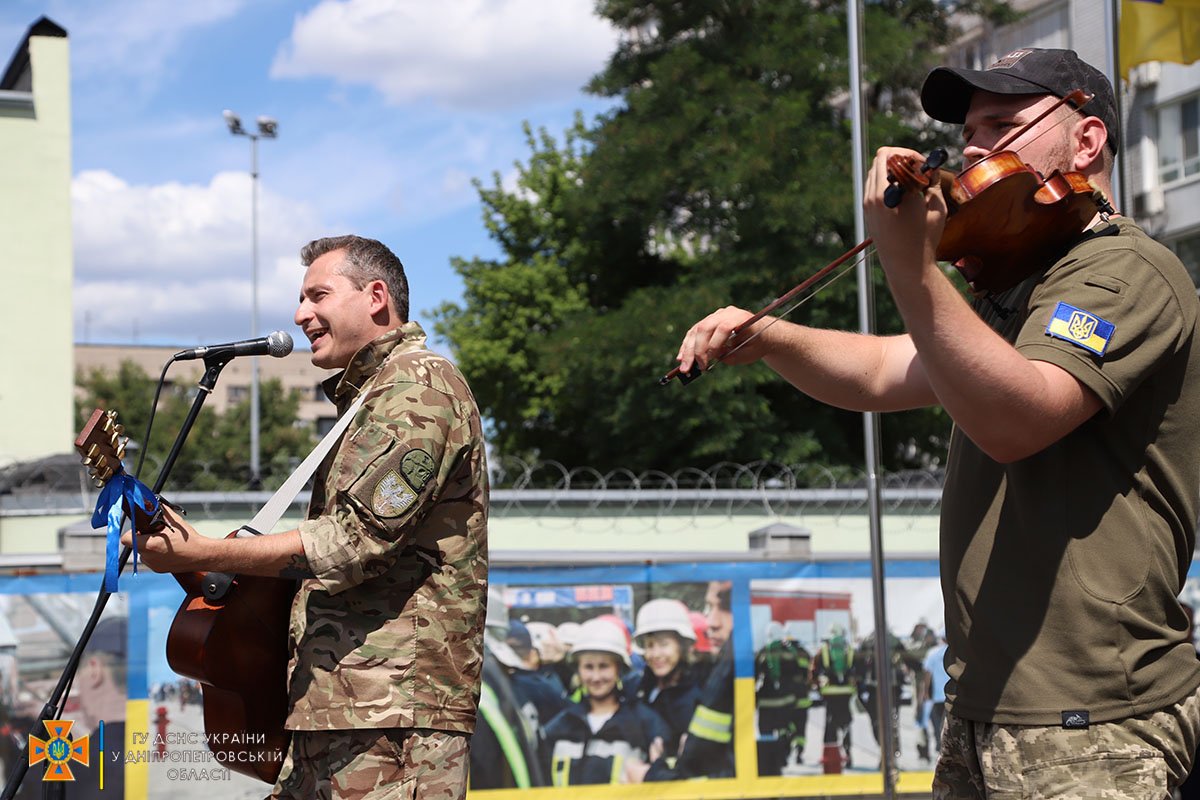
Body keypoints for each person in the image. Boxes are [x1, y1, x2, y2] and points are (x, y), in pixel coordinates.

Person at [674, 47, 1200, 796]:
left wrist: (914, 270)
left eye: (1002, 125)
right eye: (968, 132)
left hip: (1093, 715)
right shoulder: (1016, 279)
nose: (975, 149)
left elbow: (1017, 420)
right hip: (987, 704)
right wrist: (772, 339)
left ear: (1087, 140)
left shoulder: (1123, 270)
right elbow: (888, 370)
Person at [126, 235, 489, 799]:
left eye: (318, 295)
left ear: (376, 297)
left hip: (394, 718)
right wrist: (194, 555)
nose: (299, 316)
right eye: (301, 299)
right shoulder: (371, 395)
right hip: (339, 708)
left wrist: (207, 552)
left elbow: (355, 542)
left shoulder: (418, 386)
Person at [539, 617, 670, 786]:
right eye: (588, 667)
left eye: (604, 666)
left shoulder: (646, 724)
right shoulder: (559, 727)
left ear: (618, 669)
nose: (596, 677)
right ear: (578, 670)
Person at [630, 598, 702, 756]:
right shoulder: (638, 687)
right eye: (650, 645)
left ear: (682, 646)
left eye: (664, 644)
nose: (655, 654)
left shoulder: (698, 696)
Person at [813, 626, 856, 770]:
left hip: (830, 694)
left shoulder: (823, 651)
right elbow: (857, 670)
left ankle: (831, 758)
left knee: (831, 724)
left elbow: (814, 672)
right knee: (846, 723)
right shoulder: (849, 650)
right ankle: (848, 754)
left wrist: (818, 689)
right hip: (846, 693)